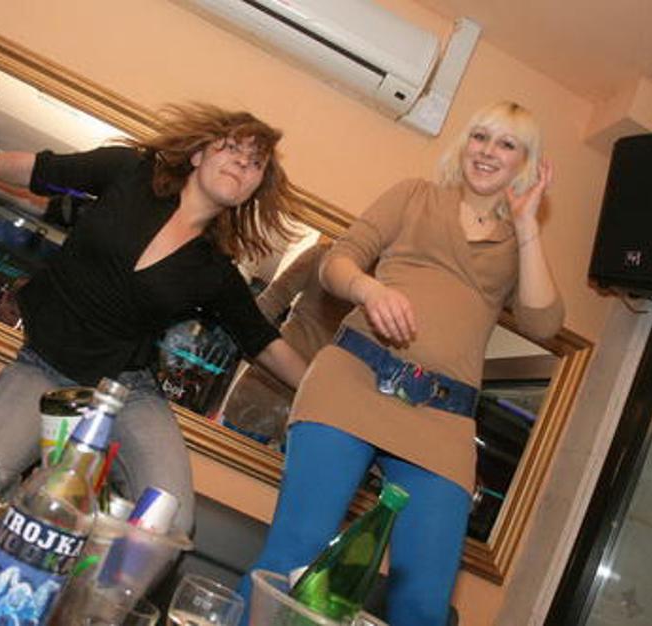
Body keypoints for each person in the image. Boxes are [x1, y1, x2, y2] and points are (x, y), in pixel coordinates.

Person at [0, 104, 309, 535]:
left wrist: (325, 398)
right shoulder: (130, 173)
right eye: (233, 149)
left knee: (169, 522)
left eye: (255, 164)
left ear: (253, 190)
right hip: (46, 367)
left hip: (127, 390)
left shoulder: (214, 271)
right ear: (197, 155)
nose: (243, 164)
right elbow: (41, 170)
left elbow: (263, 341)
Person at [238, 101, 565, 626]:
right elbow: (338, 261)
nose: (487, 151)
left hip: (443, 418)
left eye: (507, 144)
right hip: (353, 380)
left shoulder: (517, 244)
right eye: (480, 136)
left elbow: (544, 323)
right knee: (294, 553)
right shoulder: (415, 196)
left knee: (424, 605)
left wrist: (527, 226)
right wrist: (369, 290)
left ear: (525, 162)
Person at [221, 239, 352, 444]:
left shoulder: (325, 255)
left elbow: (266, 307)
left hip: (303, 401)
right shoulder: (325, 256)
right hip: (276, 391)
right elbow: (266, 308)